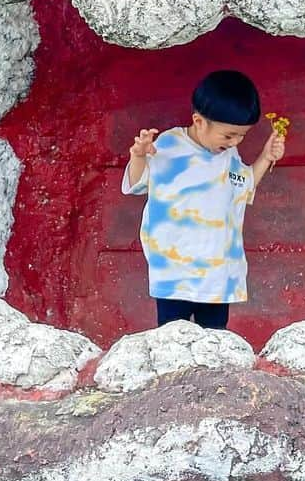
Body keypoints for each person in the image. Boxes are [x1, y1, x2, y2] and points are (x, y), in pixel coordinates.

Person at [122, 70, 286, 329]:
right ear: (199, 121)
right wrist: (139, 156)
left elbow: (242, 189)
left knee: (215, 341)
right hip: (175, 275)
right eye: (228, 135)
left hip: (218, 276)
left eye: (241, 136)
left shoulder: (229, 155)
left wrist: (266, 157)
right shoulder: (169, 145)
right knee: (172, 341)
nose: (235, 142)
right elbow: (137, 184)